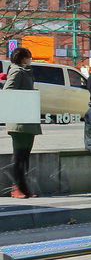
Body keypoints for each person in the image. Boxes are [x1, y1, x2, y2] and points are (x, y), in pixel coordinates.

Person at [3, 46, 42, 198]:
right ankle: (16, 187)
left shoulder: (25, 71)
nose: (30, 59)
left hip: (27, 118)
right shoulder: (17, 72)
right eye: (29, 57)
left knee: (25, 154)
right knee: (19, 155)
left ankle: (23, 186)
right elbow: (8, 91)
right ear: (22, 58)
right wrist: (25, 99)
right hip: (19, 119)